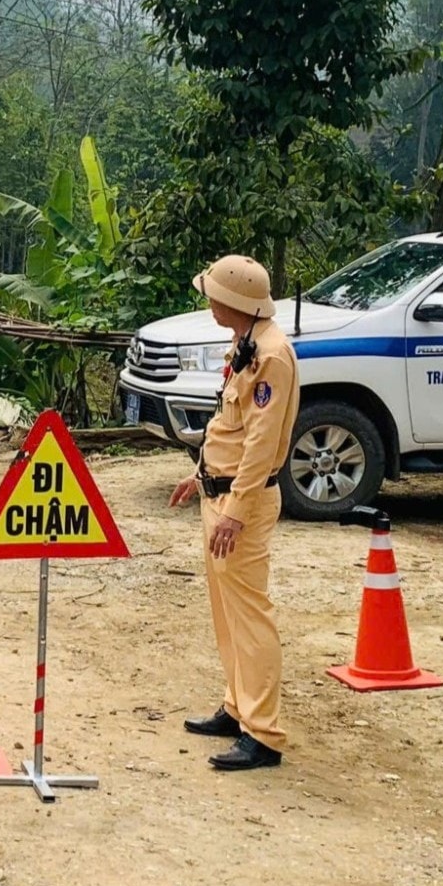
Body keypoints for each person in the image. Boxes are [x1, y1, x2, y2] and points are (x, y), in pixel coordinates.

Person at [168, 255, 300, 772]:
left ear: (234, 302)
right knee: (227, 613)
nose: (208, 301)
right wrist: (200, 475)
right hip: (217, 494)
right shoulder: (244, 344)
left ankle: (263, 733)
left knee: (249, 616)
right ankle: (237, 705)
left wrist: (237, 510)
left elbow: (264, 444)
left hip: (240, 504)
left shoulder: (272, 357)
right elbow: (229, 423)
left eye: (213, 294)